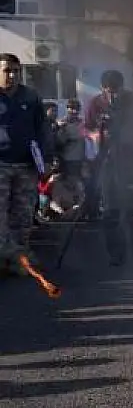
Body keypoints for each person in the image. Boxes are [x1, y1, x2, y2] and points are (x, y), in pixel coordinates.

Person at [85, 69, 133, 264]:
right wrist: (94, 135)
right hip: (108, 159)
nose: (113, 95)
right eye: (109, 91)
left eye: (116, 90)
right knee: (110, 209)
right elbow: (86, 126)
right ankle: (116, 254)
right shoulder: (96, 103)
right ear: (103, 88)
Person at [0, 53, 52, 275]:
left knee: (22, 217)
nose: (12, 75)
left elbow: (43, 130)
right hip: (0, 165)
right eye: (6, 71)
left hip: (26, 166)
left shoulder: (30, 97)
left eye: (15, 71)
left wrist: (47, 159)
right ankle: (4, 259)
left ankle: (19, 262)